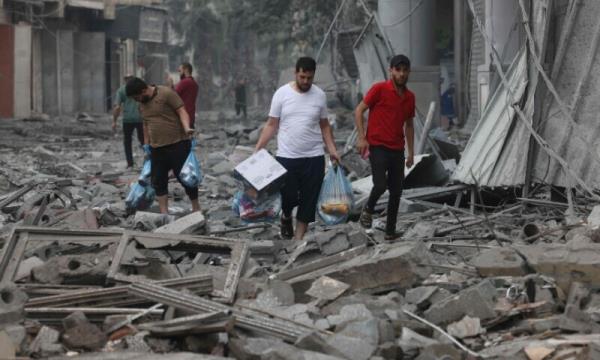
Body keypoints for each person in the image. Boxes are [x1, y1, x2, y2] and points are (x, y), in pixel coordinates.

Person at [255, 56, 340, 240]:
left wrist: (332, 150)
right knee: (288, 196)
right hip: (287, 156)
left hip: (314, 156)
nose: (305, 81)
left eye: (309, 78)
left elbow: (325, 125)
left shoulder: (319, 95)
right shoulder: (282, 94)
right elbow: (272, 124)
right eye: (302, 77)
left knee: (309, 199)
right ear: (296, 73)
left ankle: (298, 239)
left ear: (313, 76)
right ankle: (286, 216)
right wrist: (258, 148)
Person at [354, 54, 415, 240]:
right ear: (391, 71)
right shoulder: (380, 89)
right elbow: (359, 110)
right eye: (398, 70)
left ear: (408, 72)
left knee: (396, 191)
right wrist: (362, 137)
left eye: (405, 70)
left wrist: (411, 153)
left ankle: (390, 232)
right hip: (378, 145)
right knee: (380, 184)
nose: (402, 74)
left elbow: (409, 125)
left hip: (397, 149)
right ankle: (368, 209)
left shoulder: (409, 97)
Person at [125, 77, 200, 214]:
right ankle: (164, 213)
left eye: (137, 97)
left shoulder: (166, 93)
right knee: (158, 181)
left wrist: (186, 127)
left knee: (186, 178)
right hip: (157, 148)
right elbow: (146, 124)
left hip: (177, 143)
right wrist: (146, 145)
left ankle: (196, 207)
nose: (137, 100)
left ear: (143, 90)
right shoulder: (141, 105)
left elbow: (181, 110)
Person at [113, 75, 144, 169]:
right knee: (143, 140)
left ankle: (130, 163)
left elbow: (117, 107)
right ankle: (149, 159)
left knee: (127, 141)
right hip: (140, 118)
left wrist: (114, 121)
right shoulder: (139, 88)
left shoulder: (121, 90)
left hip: (127, 119)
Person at [169, 62, 199, 129]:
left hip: (183, 118)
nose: (179, 73)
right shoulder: (194, 83)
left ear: (185, 70)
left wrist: (171, 85)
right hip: (190, 117)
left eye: (180, 71)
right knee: (189, 138)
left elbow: (173, 96)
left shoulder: (185, 82)